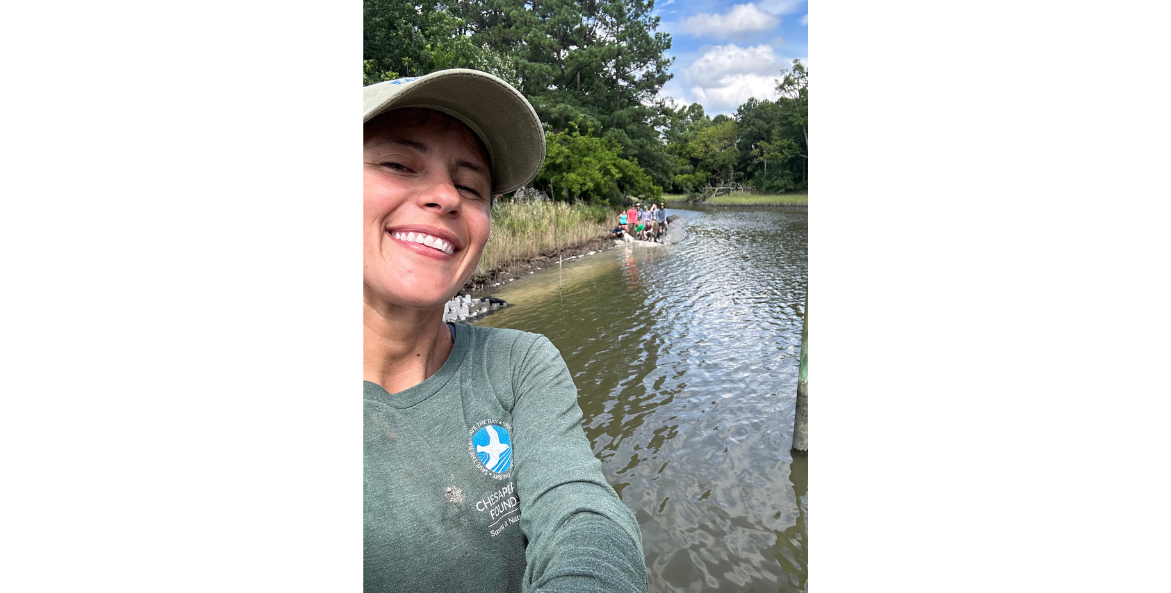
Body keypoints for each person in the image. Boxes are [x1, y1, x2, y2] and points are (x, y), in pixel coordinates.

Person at [363, 69, 648, 593]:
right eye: (399, 164)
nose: (446, 197)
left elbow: (580, 511)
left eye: (470, 186)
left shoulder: (520, 365)